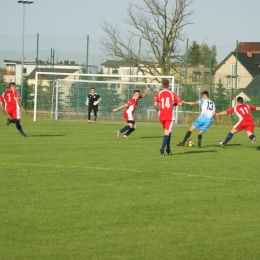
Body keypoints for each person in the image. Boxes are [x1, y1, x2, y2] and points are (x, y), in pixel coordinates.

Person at [153, 79, 182, 156]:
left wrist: (157, 110)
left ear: (162, 85)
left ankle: (168, 148)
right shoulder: (172, 94)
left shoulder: (158, 94)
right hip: (169, 116)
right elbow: (179, 103)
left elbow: (155, 105)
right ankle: (162, 148)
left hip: (161, 116)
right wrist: (174, 104)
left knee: (169, 131)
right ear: (168, 85)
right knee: (167, 132)